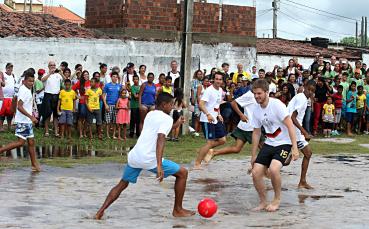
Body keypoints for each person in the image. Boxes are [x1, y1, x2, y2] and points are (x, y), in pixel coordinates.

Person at [95, 93, 194, 220]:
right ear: (164, 105)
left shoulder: (150, 114)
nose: (172, 107)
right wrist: (159, 165)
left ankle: (100, 212)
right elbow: (161, 138)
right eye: (171, 104)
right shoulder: (166, 118)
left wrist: (177, 124)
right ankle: (178, 209)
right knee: (183, 173)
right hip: (149, 158)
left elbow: (158, 131)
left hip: (135, 155)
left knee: (122, 184)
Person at [250, 79, 299, 212]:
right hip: (269, 143)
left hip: (284, 143)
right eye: (254, 94)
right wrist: (253, 155)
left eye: (259, 93)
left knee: (273, 169)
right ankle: (263, 201)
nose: (256, 96)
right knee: (255, 172)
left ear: (266, 92)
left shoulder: (277, 105)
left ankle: (276, 200)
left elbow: (290, 125)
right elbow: (256, 132)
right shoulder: (255, 109)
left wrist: (294, 148)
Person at [203, 87, 263, 163]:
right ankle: (270, 165)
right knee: (264, 147)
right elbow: (233, 103)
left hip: (245, 126)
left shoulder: (261, 97)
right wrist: (241, 115)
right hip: (250, 127)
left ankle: (214, 152)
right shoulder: (250, 95)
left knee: (236, 148)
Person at [0, 72, 41, 172]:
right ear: (24, 81)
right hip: (24, 121)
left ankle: (34, 165)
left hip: (25, 121)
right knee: (20, 143)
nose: (31, 83)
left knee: (31, 142)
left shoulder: (24, 89)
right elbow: (20, 106)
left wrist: (12, 110)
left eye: (32, 81)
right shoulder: (24, 91)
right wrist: (31, 117)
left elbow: (14, 99)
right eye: (29, 81)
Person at [194, 71, 227, 169]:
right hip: (207, 119)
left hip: (216, 118)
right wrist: (208, 114)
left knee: (223, 140)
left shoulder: (220, 90)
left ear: (222, 81)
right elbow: (201, 104)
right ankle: (197, 163)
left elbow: (217, 104)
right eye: (216, 79)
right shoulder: (209, 90)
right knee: (210, 143)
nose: (218, 81)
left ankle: (208, 150)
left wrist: (219, 114)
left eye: (220, 79)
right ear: (213, 79)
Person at [287, 80, 316, 189]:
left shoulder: (300, 97)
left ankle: (302, 181)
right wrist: (304, 132)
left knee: (308, 153)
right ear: (304, 87)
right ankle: (262, 167)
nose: (310, 92)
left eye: (312, 91)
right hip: (293, 130)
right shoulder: (302, 99)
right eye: (309, 89)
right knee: (285, 162)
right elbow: (293, 117)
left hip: (293, 130)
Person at [41, 61, 64, 137]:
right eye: (51, 65)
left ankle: (56, 132)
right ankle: (46, 131)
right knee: (47, 114)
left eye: (54, 65)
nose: (53, 66)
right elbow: (42, 80)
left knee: (56, 115)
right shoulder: (46, 74)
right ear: (48, 66)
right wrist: (50, 73)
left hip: (56, 95)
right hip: (48, 95)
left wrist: (61, 73)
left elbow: (66, 80)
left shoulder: (58, 74)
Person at [103, 72, 122, 139]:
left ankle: (113, 135)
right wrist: (106, 105)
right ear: (111, 77)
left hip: (116, 106)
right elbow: (103, 96)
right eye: (113, 76)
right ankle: (107, 135)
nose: (115, 78)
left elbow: (121, 94)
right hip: (109, 105)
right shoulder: (107, 85)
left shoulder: (119, 86)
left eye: (116, 77)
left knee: (114, 122)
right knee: (108, 122)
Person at [72, 70, 90, 138]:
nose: (86, 76)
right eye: (84, 74)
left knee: (87, 119)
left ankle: (84, 132)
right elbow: (72, 89)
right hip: (82, 102)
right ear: (82, 76)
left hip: (89, 103)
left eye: (87, 74)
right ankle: (80, 133)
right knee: (81, 118)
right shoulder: (80, 82)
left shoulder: (91, 82)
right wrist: (78, 96)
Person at [0, 63, 16, 132]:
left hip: (11, 97)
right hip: (3, 97)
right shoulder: (2, 74)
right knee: (2, 113)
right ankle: (1, 127)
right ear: (6, 68)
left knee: (10, 113)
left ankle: (9, 126)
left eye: (11, 68)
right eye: (8, 68)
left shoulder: (13, 75)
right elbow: (2, 83)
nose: (10, 69)